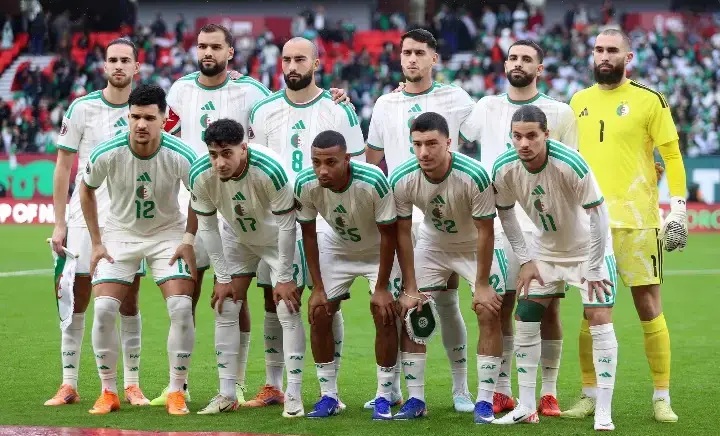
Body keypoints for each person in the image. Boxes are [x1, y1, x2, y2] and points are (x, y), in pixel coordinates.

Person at [563, 28, 687, 423]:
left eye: (612, 50)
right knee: (591, 311)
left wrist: (678, 208)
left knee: (648, 306)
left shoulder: (650, 100)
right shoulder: (578, 101)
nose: (604, 56)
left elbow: (672, 156)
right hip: (589, 224)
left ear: (627, 57)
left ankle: (662, 396)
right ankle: (588, 394)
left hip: (637, 220)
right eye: (598, 49)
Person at [154, 22, 271, 407]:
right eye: (202, 46)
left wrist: (335, 97)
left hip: (237, 204)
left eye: (215, 47)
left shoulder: (252, 91)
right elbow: (165, 137)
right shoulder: (180, 89)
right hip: (190, 203)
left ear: (230, 52)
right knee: (184, 294)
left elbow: (276, 123)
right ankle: (178, 384)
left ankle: (236, 382)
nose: (207, 52)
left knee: (235, 296)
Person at [246, 36, 364, 412]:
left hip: (325, 220)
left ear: (316, 63)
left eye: (300, 59)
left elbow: (357, 166)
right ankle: (274, 385)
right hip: (278, 218)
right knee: (275, 300)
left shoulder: (339, 109)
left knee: (327, 304)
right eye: (286, 59)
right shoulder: (263, 110)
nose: (292, 66)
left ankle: (330, 390)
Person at [458, 39, 576, 416]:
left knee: (546, 310)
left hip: (543, 225)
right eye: (512, 57)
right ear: (505, 64)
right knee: (500, 306)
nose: (518, 63)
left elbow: (571, 167)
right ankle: (503, 391)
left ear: (539, 68)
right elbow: (448, 122)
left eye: (527, 59)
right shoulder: (486, 106)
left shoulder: (559, 112)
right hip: (497, 222)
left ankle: (548, 392)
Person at [364, 28, 477, 413]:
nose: (411, 59)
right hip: (398, 214)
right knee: (400, 305)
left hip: (441, 216)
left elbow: (482, 129)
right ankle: (392, 389)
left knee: (445, 303)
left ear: (434, 58)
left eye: (419, 53)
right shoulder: (385, 103)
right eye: (406, 52)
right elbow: (372, 159)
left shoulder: (456, 98)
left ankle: (461, 389)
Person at [491, 105, 618, 431]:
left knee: (599, 317)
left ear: (546, 134)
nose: (524, 143)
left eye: (532, 136)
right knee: (525, 315)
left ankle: (603, 411)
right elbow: (505, 213)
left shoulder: (570, 163)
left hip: (589, 250)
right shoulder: (504, 168)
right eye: (517, 136)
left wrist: (594, 266)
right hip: (545, 252)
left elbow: (599, 215)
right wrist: (526, 259)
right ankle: (526, 406)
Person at [79, 84, 198, 416]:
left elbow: (200, 194)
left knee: (180, 307)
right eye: (135, 117)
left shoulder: (181, 154)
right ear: (127, 117)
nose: (141, 124)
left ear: (164, 118)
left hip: (167, 234)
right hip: (120, 234)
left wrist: (188, 239)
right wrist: (97, 242)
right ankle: (108, 391)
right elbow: (86, 190)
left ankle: (176, 391)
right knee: (104, 309)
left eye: (149, 117)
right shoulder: (107, 152)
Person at [47, 38, 149, 407]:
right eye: (112, 60)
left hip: (128, 218)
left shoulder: (148, 109)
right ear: (104, 66)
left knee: (129, 299)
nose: (119, 66)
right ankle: (69, 384)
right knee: (75, 298)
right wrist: (60, 222)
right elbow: (63, 167)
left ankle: (132, 385)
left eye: (125, 60)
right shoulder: (82, 107)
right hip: (81, 215)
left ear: (136, 67)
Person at [389, 112, 505, 423]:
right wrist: (410, 287)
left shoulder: (474, 175)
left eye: (431, 144)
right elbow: (402, 232)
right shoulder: (401, 178)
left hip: (473, 246)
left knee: (488, 310)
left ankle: (483, 400)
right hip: (432, 244)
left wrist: (482, 284)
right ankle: (416, 399)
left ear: (449, 142)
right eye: (417, 144)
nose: (423, 152)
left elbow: (485, 231)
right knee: (412, 310)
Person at [187, 119, 300, 416]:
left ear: (244, 149)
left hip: (278, 238)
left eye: (227, 153)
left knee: (286, 307)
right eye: (213, 155)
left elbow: (287, 226)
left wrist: (284, 277)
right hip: (237, 236)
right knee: (225, 305)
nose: (220, 163)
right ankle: (227, 393)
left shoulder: (270, 170)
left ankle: (292, 393)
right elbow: (207, 227)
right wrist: (222, 277)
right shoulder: (200, 174)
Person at [294, 130, 401, 419]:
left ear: (348, 159)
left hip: (377, 249)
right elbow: (309, 236)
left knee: (384, 312)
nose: (322, 170)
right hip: (337, 246)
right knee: (318, 312)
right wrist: (318, 288)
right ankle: (329, 395)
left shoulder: (373, 180)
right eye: (316, 162)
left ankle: (384, 395)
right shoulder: (305, 183)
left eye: (331, 162)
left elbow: (389, 235)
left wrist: (381, 288)